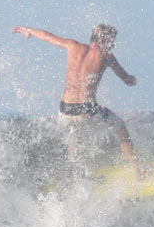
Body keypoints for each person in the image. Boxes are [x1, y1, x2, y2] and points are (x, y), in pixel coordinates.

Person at [12, 24, 138, 170]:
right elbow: (127, 80)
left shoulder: (72, 46)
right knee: (120, 127)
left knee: (75, 135)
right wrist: (133, 79)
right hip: (86, 112)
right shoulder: (106, 55)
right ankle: (137, 170)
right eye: (111, 40)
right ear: (103, 39)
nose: (113, 44)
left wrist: (29, 31)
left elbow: (48, 36)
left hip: (64, 110)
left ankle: (71, 177)